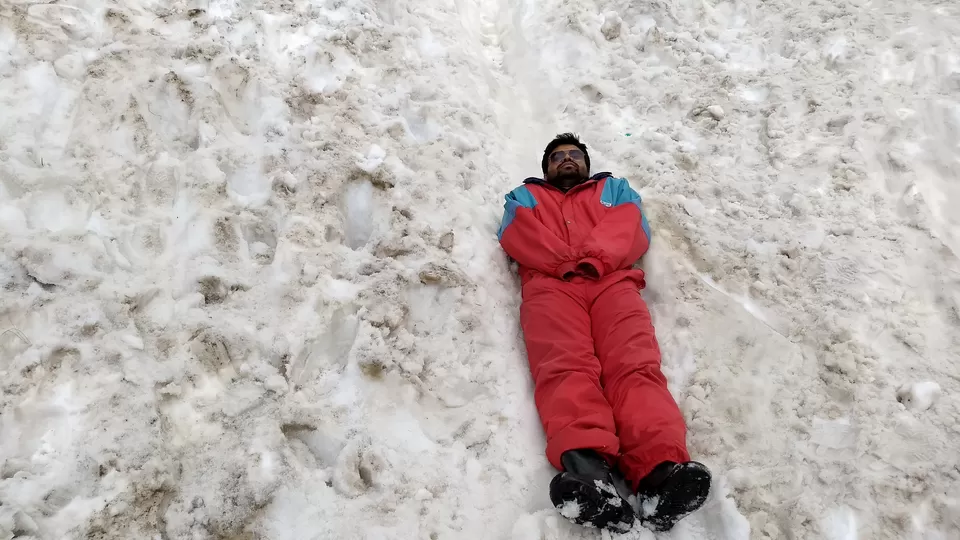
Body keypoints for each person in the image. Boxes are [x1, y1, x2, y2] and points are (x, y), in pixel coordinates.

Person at [497, 133, 711, 533]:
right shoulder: (524, 196)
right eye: (557, 156)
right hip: (551, 287)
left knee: (634, 366)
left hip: (612, 282)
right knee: (565, 367)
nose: (565, 159)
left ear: (586, 162)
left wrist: (596, 258)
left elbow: (630, 226)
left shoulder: (614, 189)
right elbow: (517, 234)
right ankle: (588, 473)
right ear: (546, 168)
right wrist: (562, 262)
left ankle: (659, 472)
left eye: (573, 154)